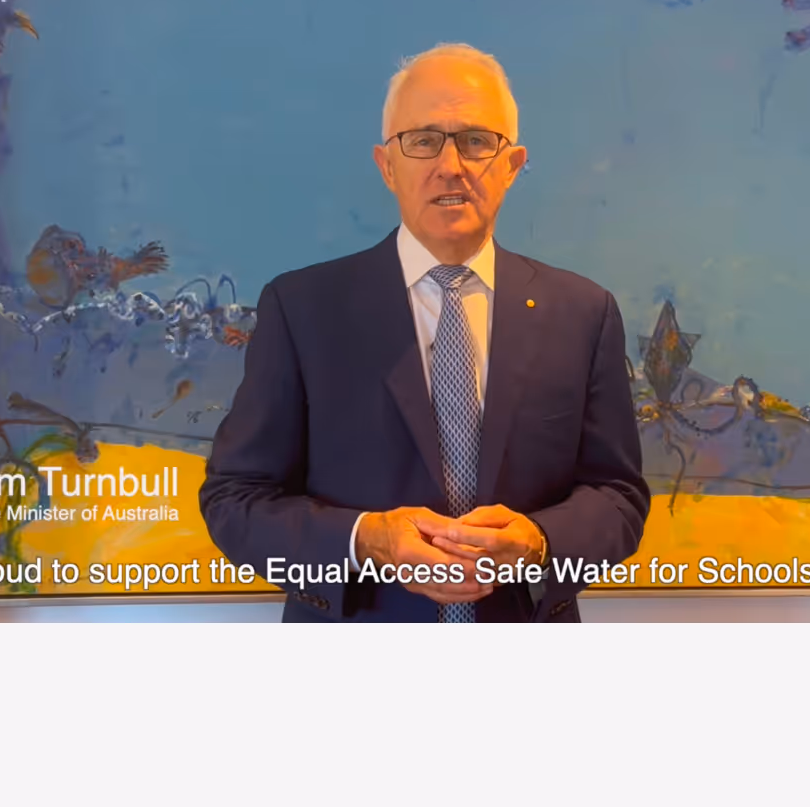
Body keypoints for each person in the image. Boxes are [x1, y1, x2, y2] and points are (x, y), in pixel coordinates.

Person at [199, 43, 650, 622]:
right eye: (423, 140)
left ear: (512, 166)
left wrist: (539, 543)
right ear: (387, 165)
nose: (451, 165)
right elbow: (235, 500)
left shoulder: (583, 313)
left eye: (477, 141)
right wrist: (366, 541)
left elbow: (619, 498)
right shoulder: (302, 309)